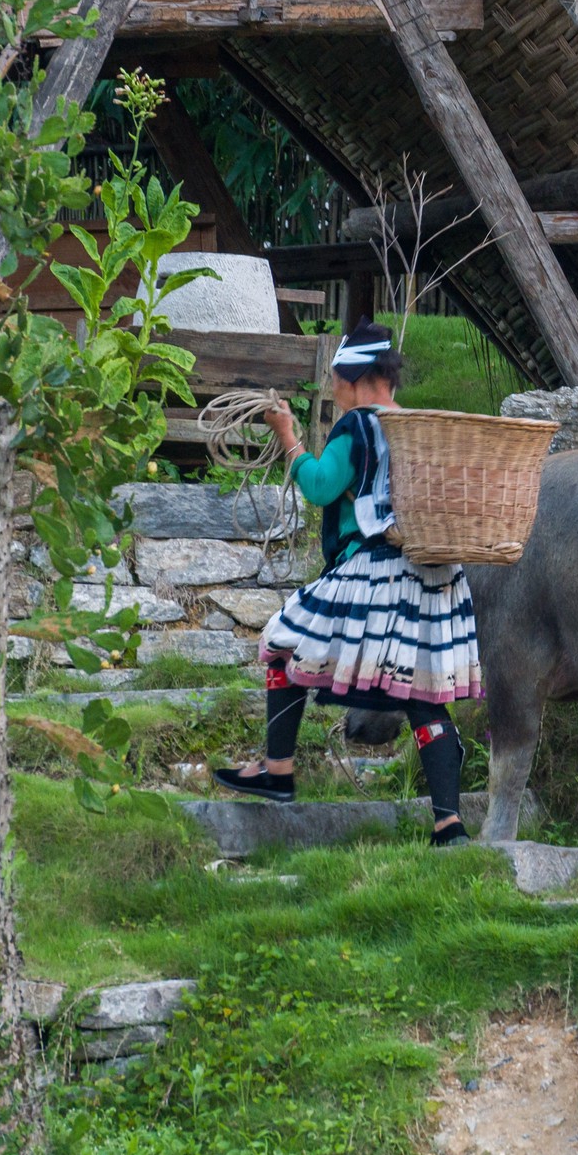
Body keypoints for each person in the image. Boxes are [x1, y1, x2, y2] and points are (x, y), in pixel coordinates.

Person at [211, 322, 480, 846]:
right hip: (432, 575)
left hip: (373, 571)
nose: (332, 386)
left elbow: (320, 486)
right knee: (424, 691)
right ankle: (449, 824)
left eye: (336, 376)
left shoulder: (356, 425)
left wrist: (287, 436)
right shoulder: (420, 425)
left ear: (355, 377)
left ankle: (278, 768)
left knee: (282, 644)